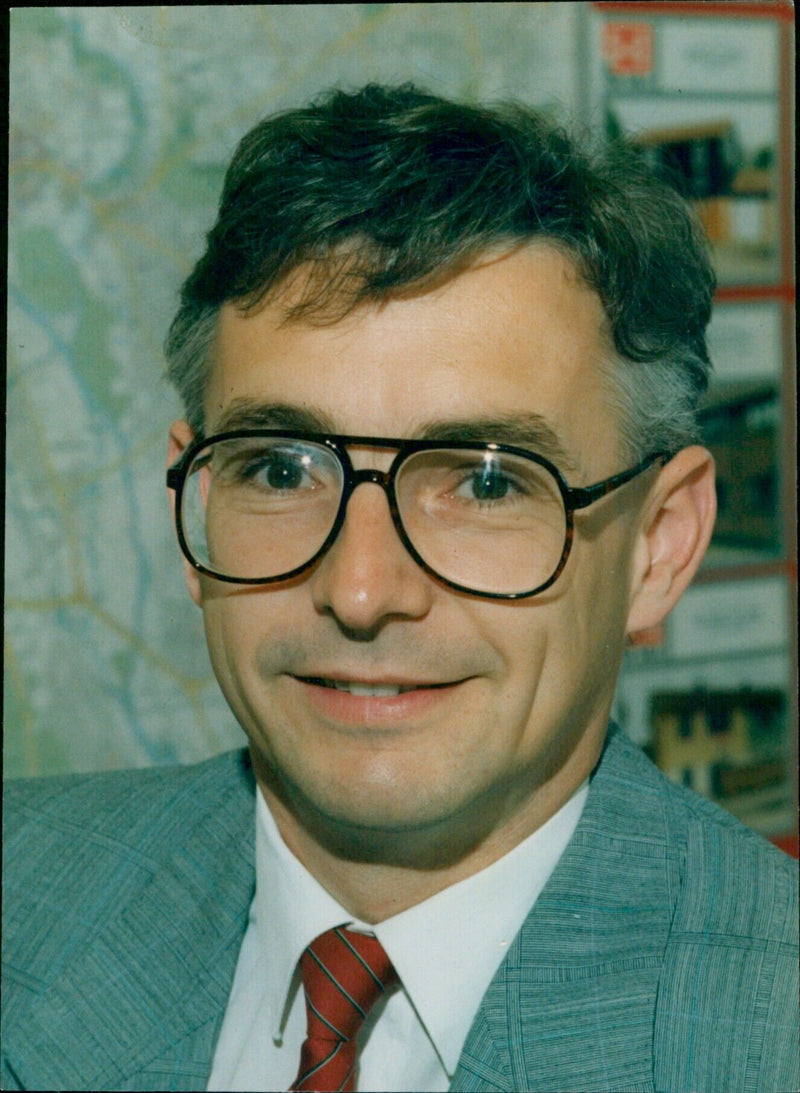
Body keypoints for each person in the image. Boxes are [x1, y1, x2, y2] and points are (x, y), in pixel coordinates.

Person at [2, 83, 797, 1093]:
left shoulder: (765, 1030)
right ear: (198, 502)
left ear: (657, 548)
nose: (362, 590)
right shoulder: (22, 891)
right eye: (281, 468)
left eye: (485, 479)